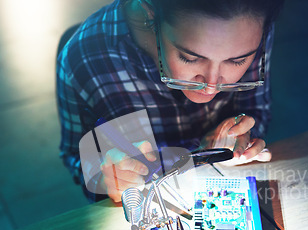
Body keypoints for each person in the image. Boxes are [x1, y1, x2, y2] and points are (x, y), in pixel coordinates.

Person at [57, 0, 284, 203]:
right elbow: (75, 157)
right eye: (191, 57)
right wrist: (105, 178)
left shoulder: (252, 26)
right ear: (150, 15)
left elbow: (257, 110)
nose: (211, 85)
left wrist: (239, 136)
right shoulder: (82, 58)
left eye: (237, 61)